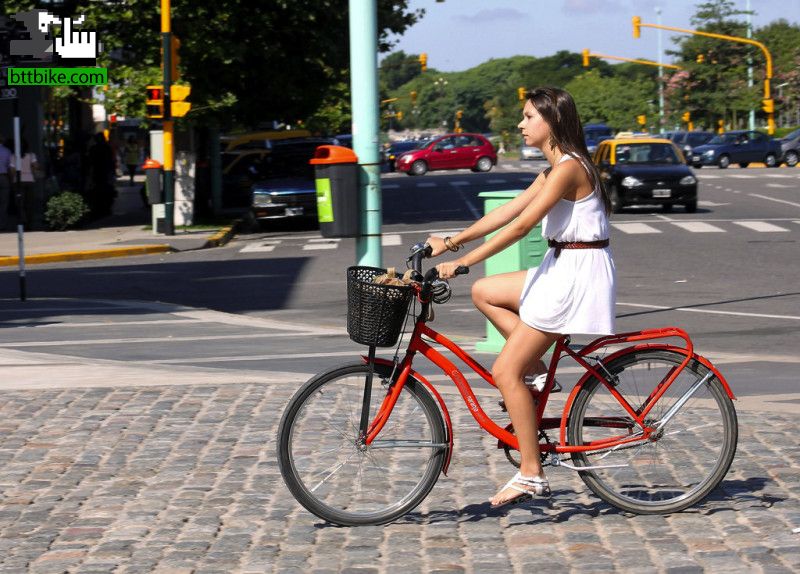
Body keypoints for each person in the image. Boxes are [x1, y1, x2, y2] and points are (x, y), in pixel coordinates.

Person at [426, 87, 615, 508]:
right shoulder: (553, 169)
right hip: (560, 266)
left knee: (504, 371)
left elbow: (520, 228)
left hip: (575, 275)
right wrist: (451, 242)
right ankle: (538, 370)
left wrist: (462, 261)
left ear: (552, 121)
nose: (520, 124)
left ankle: (531, 473)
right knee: (486, 291)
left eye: (529, 117)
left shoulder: (568, 169)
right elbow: (505, 213)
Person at [9, 141, 42, 229]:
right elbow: (36, 166)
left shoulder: (14, 156)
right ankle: (29, 223)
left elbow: (12, 170)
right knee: (29, 202)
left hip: (18, 181)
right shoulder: (31, 155)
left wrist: (13, 180)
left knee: (20, 202)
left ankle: (22, 221)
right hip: (29, 180)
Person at [0, 137, 12, 230]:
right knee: (4, 202)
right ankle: (2, 225)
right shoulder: (7, 151)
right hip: (4, 177)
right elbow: (10, 167)